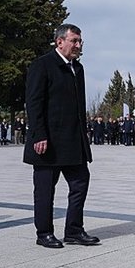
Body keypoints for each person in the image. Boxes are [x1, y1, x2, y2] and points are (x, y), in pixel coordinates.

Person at [23, 24, 99, 249]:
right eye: (74, 41)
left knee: (80, 183)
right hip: (48, 142)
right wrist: (39, 135)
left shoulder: (78, 68)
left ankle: (74, 230)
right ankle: (44, 233)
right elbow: (34, 103)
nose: (78, 45)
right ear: (60, 42)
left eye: (79, 41)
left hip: (73, 143)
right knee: (46, 190)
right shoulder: (42, 65)